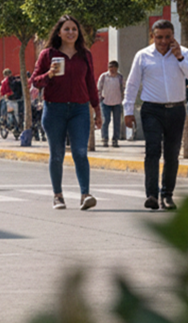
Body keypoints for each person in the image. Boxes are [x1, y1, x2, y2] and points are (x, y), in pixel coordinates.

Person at [124, 19, 188, 211]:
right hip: (152, 110)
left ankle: (167, 195)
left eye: (168, 37)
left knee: (172, 154)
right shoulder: (143, 56)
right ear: (153, 36)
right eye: (159, 37)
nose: (164, 41)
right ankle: (151, 194)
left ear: (173, 36)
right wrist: (128, 110)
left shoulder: (184, 53)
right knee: (152, 151)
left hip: (176, 109)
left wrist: (180, 57)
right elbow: (132, 84)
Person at [31, 14, 102, 211]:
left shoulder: (85, 55)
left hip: (80, 109)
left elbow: (90, 83)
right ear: (59, 33)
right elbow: (36, 81)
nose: (71, 32)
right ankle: (58, 195)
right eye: (67, 29)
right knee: (57, 154)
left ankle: (85, 194)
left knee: (80, 151)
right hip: (55, 109)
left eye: (74, 29)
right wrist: (49, 74)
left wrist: (97, 109)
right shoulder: (47, 54)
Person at [98, 60, 126, 148]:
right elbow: (99, 88)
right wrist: (99, 100)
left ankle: (115, 140)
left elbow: (123, 89)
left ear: (117, 68)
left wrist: (124, 100)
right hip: (105, 102)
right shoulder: (103, 76)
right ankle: (104, 139)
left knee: (117, 122)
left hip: (117, 102)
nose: (112, 69)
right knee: (105, 120)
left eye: (114, 67)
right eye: (110, 67)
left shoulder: (120, 77)